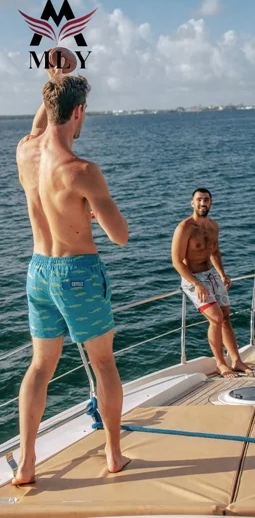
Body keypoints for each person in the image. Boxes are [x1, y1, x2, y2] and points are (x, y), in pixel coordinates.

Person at [14, 69, 130, 485]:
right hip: (77, 271)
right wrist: (94, 210)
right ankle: (113, 453)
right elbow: (120, 237)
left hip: (38, 269)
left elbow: (39, 125)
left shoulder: (24, 151)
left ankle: (27, 463)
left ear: (48, 108)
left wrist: (55, 80)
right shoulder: (82, 170)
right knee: (103, 363)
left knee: (40, 366)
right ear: (79, 112)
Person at [171, 188, 253, 378]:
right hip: (192, 277)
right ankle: (220, 364)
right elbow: (176, 261)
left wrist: (222, 274)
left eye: (206, 200)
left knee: (225, 316)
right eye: (199, 200)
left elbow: (214, 251)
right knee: (216, 317)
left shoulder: (214, 226)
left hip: (211, 274)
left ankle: (236, 360)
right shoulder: (184, 228)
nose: (203, 203)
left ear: (211, 203)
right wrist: (196, 284)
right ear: (192, 203)